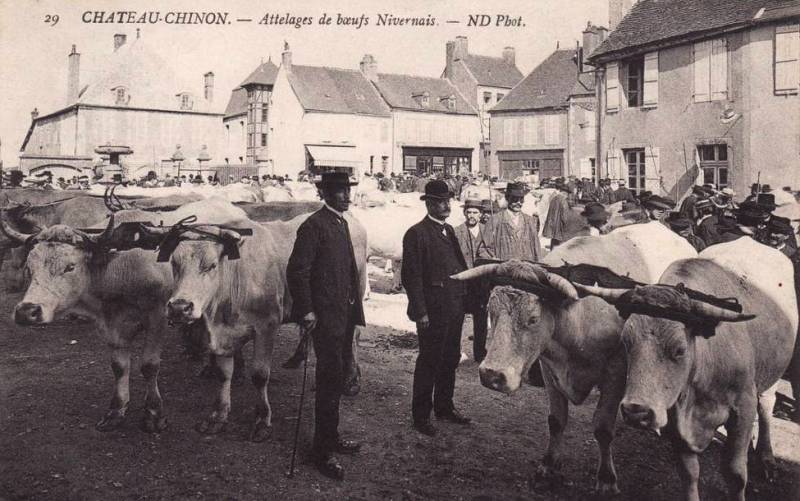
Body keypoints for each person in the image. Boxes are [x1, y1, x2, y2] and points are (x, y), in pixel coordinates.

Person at [286, 171, 364, 481]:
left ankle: (330, 437)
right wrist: (305, 310)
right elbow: (297, 271)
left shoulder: (340, 223)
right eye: (339, 191)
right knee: (328, 380)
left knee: (336, 379)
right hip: (325, 317)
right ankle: (322, 451)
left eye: (347, 190)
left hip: (343, 316)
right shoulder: (313, 226)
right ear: (325, 194)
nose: (346, 195)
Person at [402, 180, 470, 437]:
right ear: (429, 204)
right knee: (429, 360)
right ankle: (421, 415)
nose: (447, 205)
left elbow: (459, 268)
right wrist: (420, 312)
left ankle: (444, 406)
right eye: (441, 201)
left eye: (448, 200)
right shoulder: (417, 233)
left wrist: (466, 298)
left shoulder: (448, 231)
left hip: (453, 307)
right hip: (432, 311)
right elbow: (412, 276)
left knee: (450, 358)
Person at [454, 198, 489, 363]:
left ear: (481, 214)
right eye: (469, 212)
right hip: (462, 283)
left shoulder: (488, 232)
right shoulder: (456, 232)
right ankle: (456, 351)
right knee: (458, 318)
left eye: (475, 212)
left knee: (481, 319)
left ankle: (480, 353)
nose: (471, 215)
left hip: (481, 284)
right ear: (464, 213)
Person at [479, 182, 542, 260]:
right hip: (505, 269)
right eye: (515, 199)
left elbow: (537, 249)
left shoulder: (529, 220)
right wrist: (492, 259)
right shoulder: (495, 220)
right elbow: (484, 249)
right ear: (507, 198)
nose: (518, 202)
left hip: (526, 268)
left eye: (521, 199)